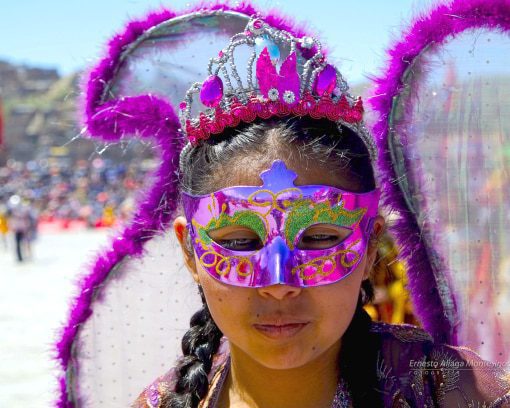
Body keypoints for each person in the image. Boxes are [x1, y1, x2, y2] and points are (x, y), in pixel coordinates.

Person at [130, 16, 510, 408]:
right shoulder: (165, 402)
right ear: (189, 250)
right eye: (240, 241)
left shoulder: (459, 392)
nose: (278, 282)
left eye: (320, 238)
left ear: (369, 246)